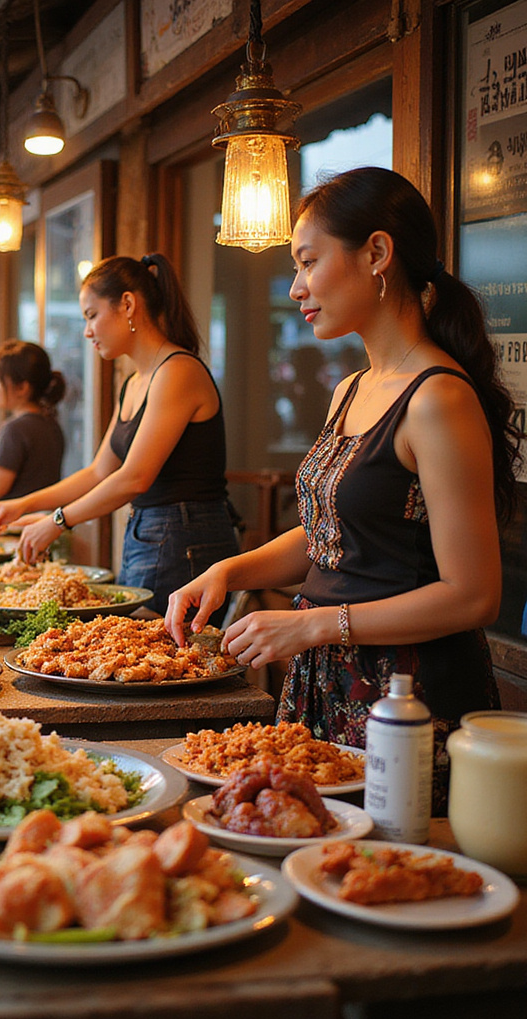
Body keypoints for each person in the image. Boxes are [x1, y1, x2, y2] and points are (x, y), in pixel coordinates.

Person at [165, 166, 522, 812]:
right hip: (325, 678)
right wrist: (228, 570)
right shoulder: (351, 389)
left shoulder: (437, 398)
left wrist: (313, 625)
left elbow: (474, 595)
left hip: (405, 699)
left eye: (308, 261)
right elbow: (329, 534)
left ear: (377, 253)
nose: (296, 286)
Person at [0, 254, 239, 616]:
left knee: (159, 649)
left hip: (186, 540)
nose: (87, 331)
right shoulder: (134, 382)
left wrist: (57, 521)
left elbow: (134, 477)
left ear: (128, 304)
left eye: (91, 315)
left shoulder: (178, 370)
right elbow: (99, 471)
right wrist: (24, 505)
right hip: (148, 534)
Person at [0, 339, 66, 500]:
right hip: (43, 513)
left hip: (15, 515)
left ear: (22, 387)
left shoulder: (15, 429)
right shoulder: (50, 423)